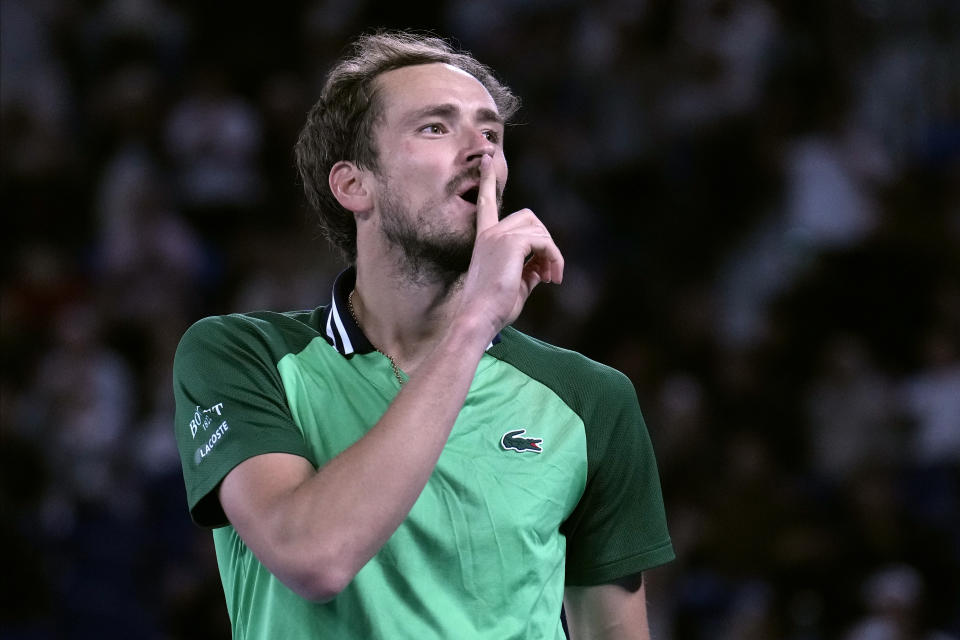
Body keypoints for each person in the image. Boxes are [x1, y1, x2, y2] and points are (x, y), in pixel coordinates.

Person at [173, 31, 674, 639]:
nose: (482, 153)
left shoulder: (589, 397)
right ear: (354, 185)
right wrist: (473, 327)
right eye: (436, 128)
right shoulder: (242, 356)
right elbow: (312, 556)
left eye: (491, 133)